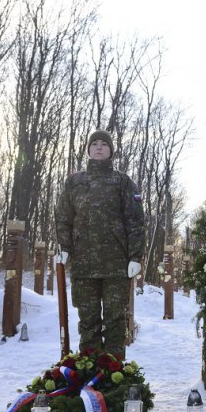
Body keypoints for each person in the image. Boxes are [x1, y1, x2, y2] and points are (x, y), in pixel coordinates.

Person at [55, 130, 145, 358]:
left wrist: (135, 257)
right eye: (94, 143)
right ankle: (88, 371)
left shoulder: (123, 182)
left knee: (115, 321)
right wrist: (65, 248)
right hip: (83, 265)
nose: (98, 147)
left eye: (104, 144)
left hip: (116, 265)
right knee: (88, 320)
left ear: (111, 150)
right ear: (88, 149)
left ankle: (114, 373)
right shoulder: (74, 182)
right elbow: (63, 218)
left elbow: (135, 220)